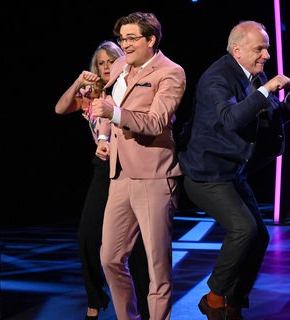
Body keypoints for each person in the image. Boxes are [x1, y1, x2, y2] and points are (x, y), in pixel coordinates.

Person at [177, 21, 290, 320]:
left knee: (259, 236)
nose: (266, 54)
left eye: (266, 47)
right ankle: (213, 297)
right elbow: (231, 119)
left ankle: (234, 304)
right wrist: (266, 89)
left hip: (233, 173)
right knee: (244, 228)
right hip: (206, 174)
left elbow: (264, 119)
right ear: (237, 50)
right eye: (259, 48)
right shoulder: (217, 77)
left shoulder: (253, 75)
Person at [90, 12, 186, 320]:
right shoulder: (120, 66)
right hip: (120, 175)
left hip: (154, 176)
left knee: (157, 267)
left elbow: (156, 121)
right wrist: (103, 136)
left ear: (151, 39)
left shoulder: (170, 73)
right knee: (110, 258)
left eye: (132, 38)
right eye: (122, 39)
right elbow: (104, 109)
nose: (125, 45)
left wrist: (115, 113)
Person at [54, 40, 150, 320]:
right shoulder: (91, 93)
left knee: (136, 249)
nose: (106, 67)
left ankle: (142, 308)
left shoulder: (127, 90)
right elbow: (60, 108)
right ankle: (96, 297)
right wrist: (78, 81)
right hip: (103, 168)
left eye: (111, 61)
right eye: (101, 63)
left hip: (132, 167)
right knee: (87, 236)